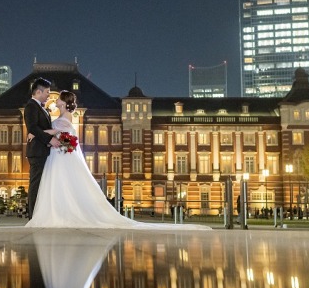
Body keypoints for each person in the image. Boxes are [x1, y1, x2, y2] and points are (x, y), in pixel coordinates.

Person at [25, 90, 210, 230]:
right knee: (62, 185)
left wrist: (36, 133)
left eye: (57, 98)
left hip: (60, 157)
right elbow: (62, 134)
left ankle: (61, 214)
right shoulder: (61, 116)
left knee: (60, 185)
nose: (54, 99)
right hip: (59, 157)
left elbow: (58, 131)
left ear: (64, 103)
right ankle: (61, 213)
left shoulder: (63, 118)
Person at [24, 77, 60, 220]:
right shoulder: (31, 106)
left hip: (42, 150)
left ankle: (38, 215)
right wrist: (49, 138)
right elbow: (32, 127)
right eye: (47, 92)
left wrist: (47, 135)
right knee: (36, 184)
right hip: (36, 151)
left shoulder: (41, 107)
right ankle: (33, 217)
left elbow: (39, 129)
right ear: (38, 91)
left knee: (41, 184)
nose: (49, 95)